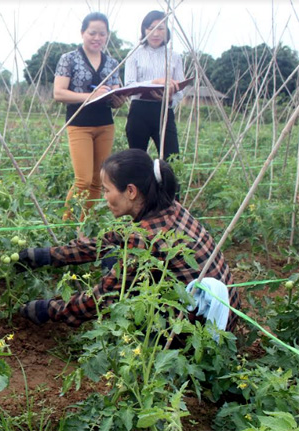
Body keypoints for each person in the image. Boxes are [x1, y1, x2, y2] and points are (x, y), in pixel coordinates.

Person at [17, 149, 240, 332]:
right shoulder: (172, 209)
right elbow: (112, 240)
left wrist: (49, 308)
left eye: (107, 190)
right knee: (114, 255)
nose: (104, 198)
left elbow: (103, 298)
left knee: (122, 290)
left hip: (198, 332)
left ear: (131, 191)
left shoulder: (144, 238)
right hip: (226, 317)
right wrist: (48, 256)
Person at [53, 12, 126, 220]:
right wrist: (89, 96)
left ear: (107, 36)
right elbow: (59, 93)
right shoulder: (69, 59)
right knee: (83, 180)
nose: (97, 38)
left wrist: (119, 100)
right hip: (79, 124)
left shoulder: (112, 63)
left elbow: (116, 93)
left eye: (102, 34)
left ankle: (86, 225)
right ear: (83, 33)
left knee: (98, 180)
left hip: (105, 124)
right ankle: (66, 224)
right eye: (92, 33)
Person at [125, 10, 185, 160]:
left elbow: (180, 90)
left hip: (164, 111)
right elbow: (129, 86)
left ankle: (167, 184)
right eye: (151, 28)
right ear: (144, 29)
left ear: (167, 31)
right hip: (139, 111)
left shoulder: (175, 56)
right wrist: (154, 82)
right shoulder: (134, 54)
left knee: (172, 159)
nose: (156, 33)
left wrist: (170, 99)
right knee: (137, 160)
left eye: (160, 28)